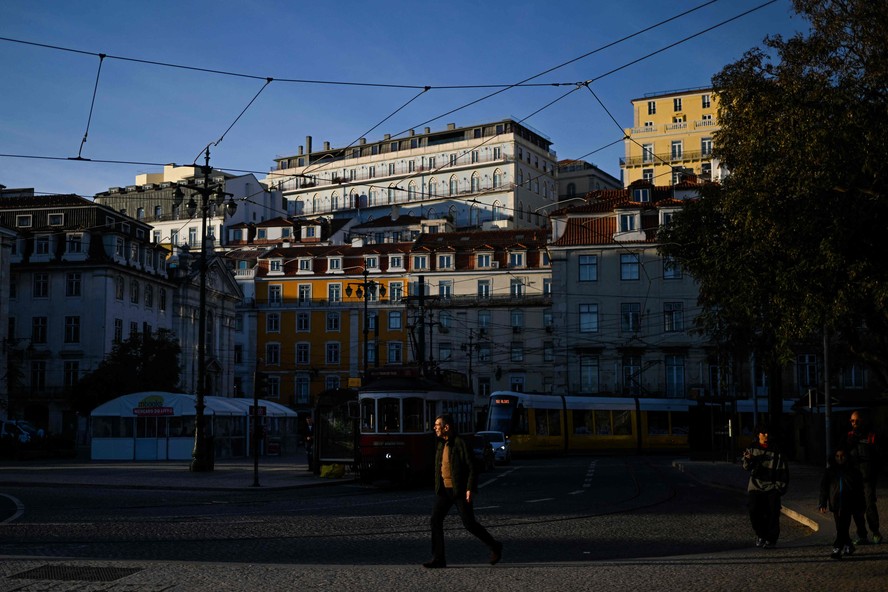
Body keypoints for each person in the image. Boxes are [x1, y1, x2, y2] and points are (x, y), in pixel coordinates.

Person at [423, 414, 503, 569]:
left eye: (437, 424)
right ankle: (438, 559)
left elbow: (473, 467)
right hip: (444, 491)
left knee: (469, 524)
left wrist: (469, 488)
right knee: (435, 520)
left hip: (459, 490)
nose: (434, 427)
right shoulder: (441, 444)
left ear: (446, 427)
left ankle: (495, 546)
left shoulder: (460, 443)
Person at [742, 425, 790, 548]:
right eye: (763, 433)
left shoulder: (776, 450)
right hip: (755, 486)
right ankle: (761, 535)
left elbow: (783, 469)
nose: (766, 436)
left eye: (767, 433)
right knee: (754, 511)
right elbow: (746, 467)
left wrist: (779, 487)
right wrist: (749, 460)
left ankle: (771, 539)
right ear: (758, 435)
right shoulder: (752, 448)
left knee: (772, 514)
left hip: (772, 487)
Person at [819, 447, 865, 559]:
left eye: (842, 456)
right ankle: (848, 545)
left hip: (849, 503)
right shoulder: (830, 471)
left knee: (843, 525)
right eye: (837, 456)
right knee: (840, 526)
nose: (840, 459)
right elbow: (824, 488)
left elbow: (859, 489)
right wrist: (822, 503)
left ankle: (837, 547)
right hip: (835, 503)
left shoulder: (854, 472)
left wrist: (861, 504)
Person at [844, 410, 881, 544]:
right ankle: (862, 535)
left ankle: (875, 531)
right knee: (856, 508)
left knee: (870, 504)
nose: (854, 423)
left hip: (868, 477)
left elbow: (878, 455)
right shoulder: (849, 436)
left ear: (862, 421)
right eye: (852, 421)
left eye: (856, 421)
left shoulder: (871, 436)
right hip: (854, 478)